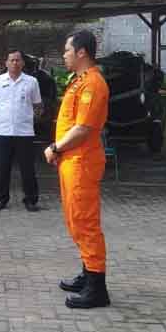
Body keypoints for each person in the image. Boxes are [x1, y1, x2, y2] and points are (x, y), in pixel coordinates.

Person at [44, 30, 111, 309]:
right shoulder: (79, 81)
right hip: (72, 162)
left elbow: (83, 129)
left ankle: (97, 287)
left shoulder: (93, 84)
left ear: (82, 52)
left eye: (67, 50)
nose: (64, 55)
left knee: (85, 222)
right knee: (75, 220)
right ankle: (88, 273)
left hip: (81, 161)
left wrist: (56, 147)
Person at [0, 51, 43, 212]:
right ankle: (0, 199)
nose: (15, 63)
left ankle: (31, 200)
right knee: (2, 167)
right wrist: (3, 115)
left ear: (23, 63)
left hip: (25, 131)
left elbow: (37, 104)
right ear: (6, 63)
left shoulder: (31, 82)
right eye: (12, 60)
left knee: (28, 168)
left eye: (18, 60)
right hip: (3, 131)